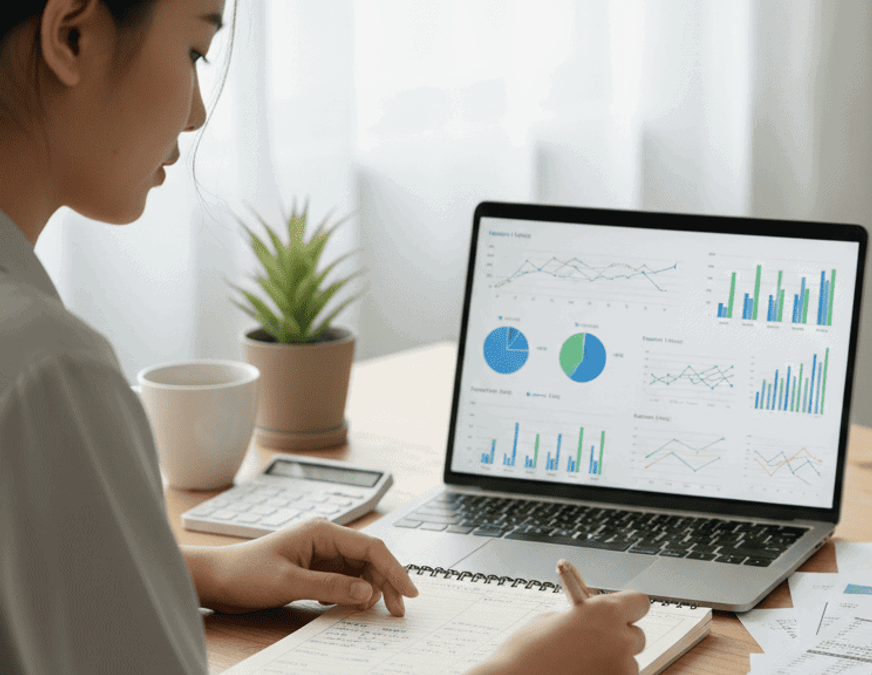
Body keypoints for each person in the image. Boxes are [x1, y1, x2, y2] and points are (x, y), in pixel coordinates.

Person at [0, 1, 650, 673]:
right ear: (70, 34)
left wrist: (190, 571)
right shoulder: (48, 370)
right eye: (195, 52)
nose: (196, 112)